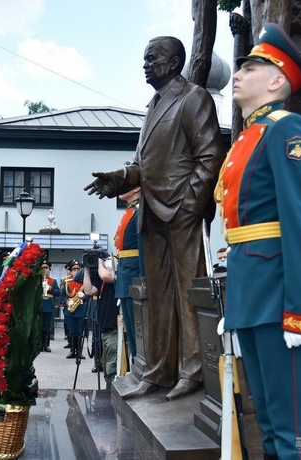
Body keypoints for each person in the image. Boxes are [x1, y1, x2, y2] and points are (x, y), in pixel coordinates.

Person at [215, 23, 301, 460]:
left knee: (293, 436)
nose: (239, 74)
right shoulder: (249, 135)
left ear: (277, 80)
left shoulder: (288, 130)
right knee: (267, 425)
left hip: (283, 299)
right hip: (253, 292)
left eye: (251, 66)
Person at [84, 36, 225, 401]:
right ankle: (158, 371)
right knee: (160, 298)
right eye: (144, 59)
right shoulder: (153, 105)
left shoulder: (194, 98)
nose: (146, 64)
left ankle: (193, 371)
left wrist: (189, 207)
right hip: (152, 214)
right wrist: (117, 179)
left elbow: (210, 156)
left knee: (187, 294)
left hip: (181, 213)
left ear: (175, 62)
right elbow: (141, 166)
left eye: (153, 58)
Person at [114, 185, 145, 363]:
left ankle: (141, 367)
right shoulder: (131, 211)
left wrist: (143, 278)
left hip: (134, 274)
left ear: (137, 188)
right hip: (126, 273)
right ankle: (136, 366)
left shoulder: (139, 212)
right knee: (132, 331)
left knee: (138, 330)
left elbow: (144, 247)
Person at [82, 255, 119, 388]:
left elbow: (106, 276)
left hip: (116, 328)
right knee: (108, 365)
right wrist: (86, 269)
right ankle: (109, 391)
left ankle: (111, 394)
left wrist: (100, 263)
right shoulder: (102, 280)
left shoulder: (119, 273)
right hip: (105, 327)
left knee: (112, 366)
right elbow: (88, 290)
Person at [61, 260, 86, 359]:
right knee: (72, 331)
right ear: (70, 271)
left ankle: (79, 352)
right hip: (69, 311)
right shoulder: (66, 282)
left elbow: (89, 295)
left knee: (79, 332)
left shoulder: (85, 282)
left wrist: (84, 297)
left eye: (78, 270)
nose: (76, 272)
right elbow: (62, 294)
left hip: (80, 310)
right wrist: (66, 301)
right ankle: (72, 351)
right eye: (74, 270)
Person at [40, 261, 61, 352]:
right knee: (39, 326)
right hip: (39, 305)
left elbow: (58, 292)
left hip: (48, 305)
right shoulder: (37, 280)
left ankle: (46, 344)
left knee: (47, 326)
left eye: (47, 268)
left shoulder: (53, 281)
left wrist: (50, 288)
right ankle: (39, 345)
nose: (45, 270)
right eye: (43, 268)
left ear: (49, 269)